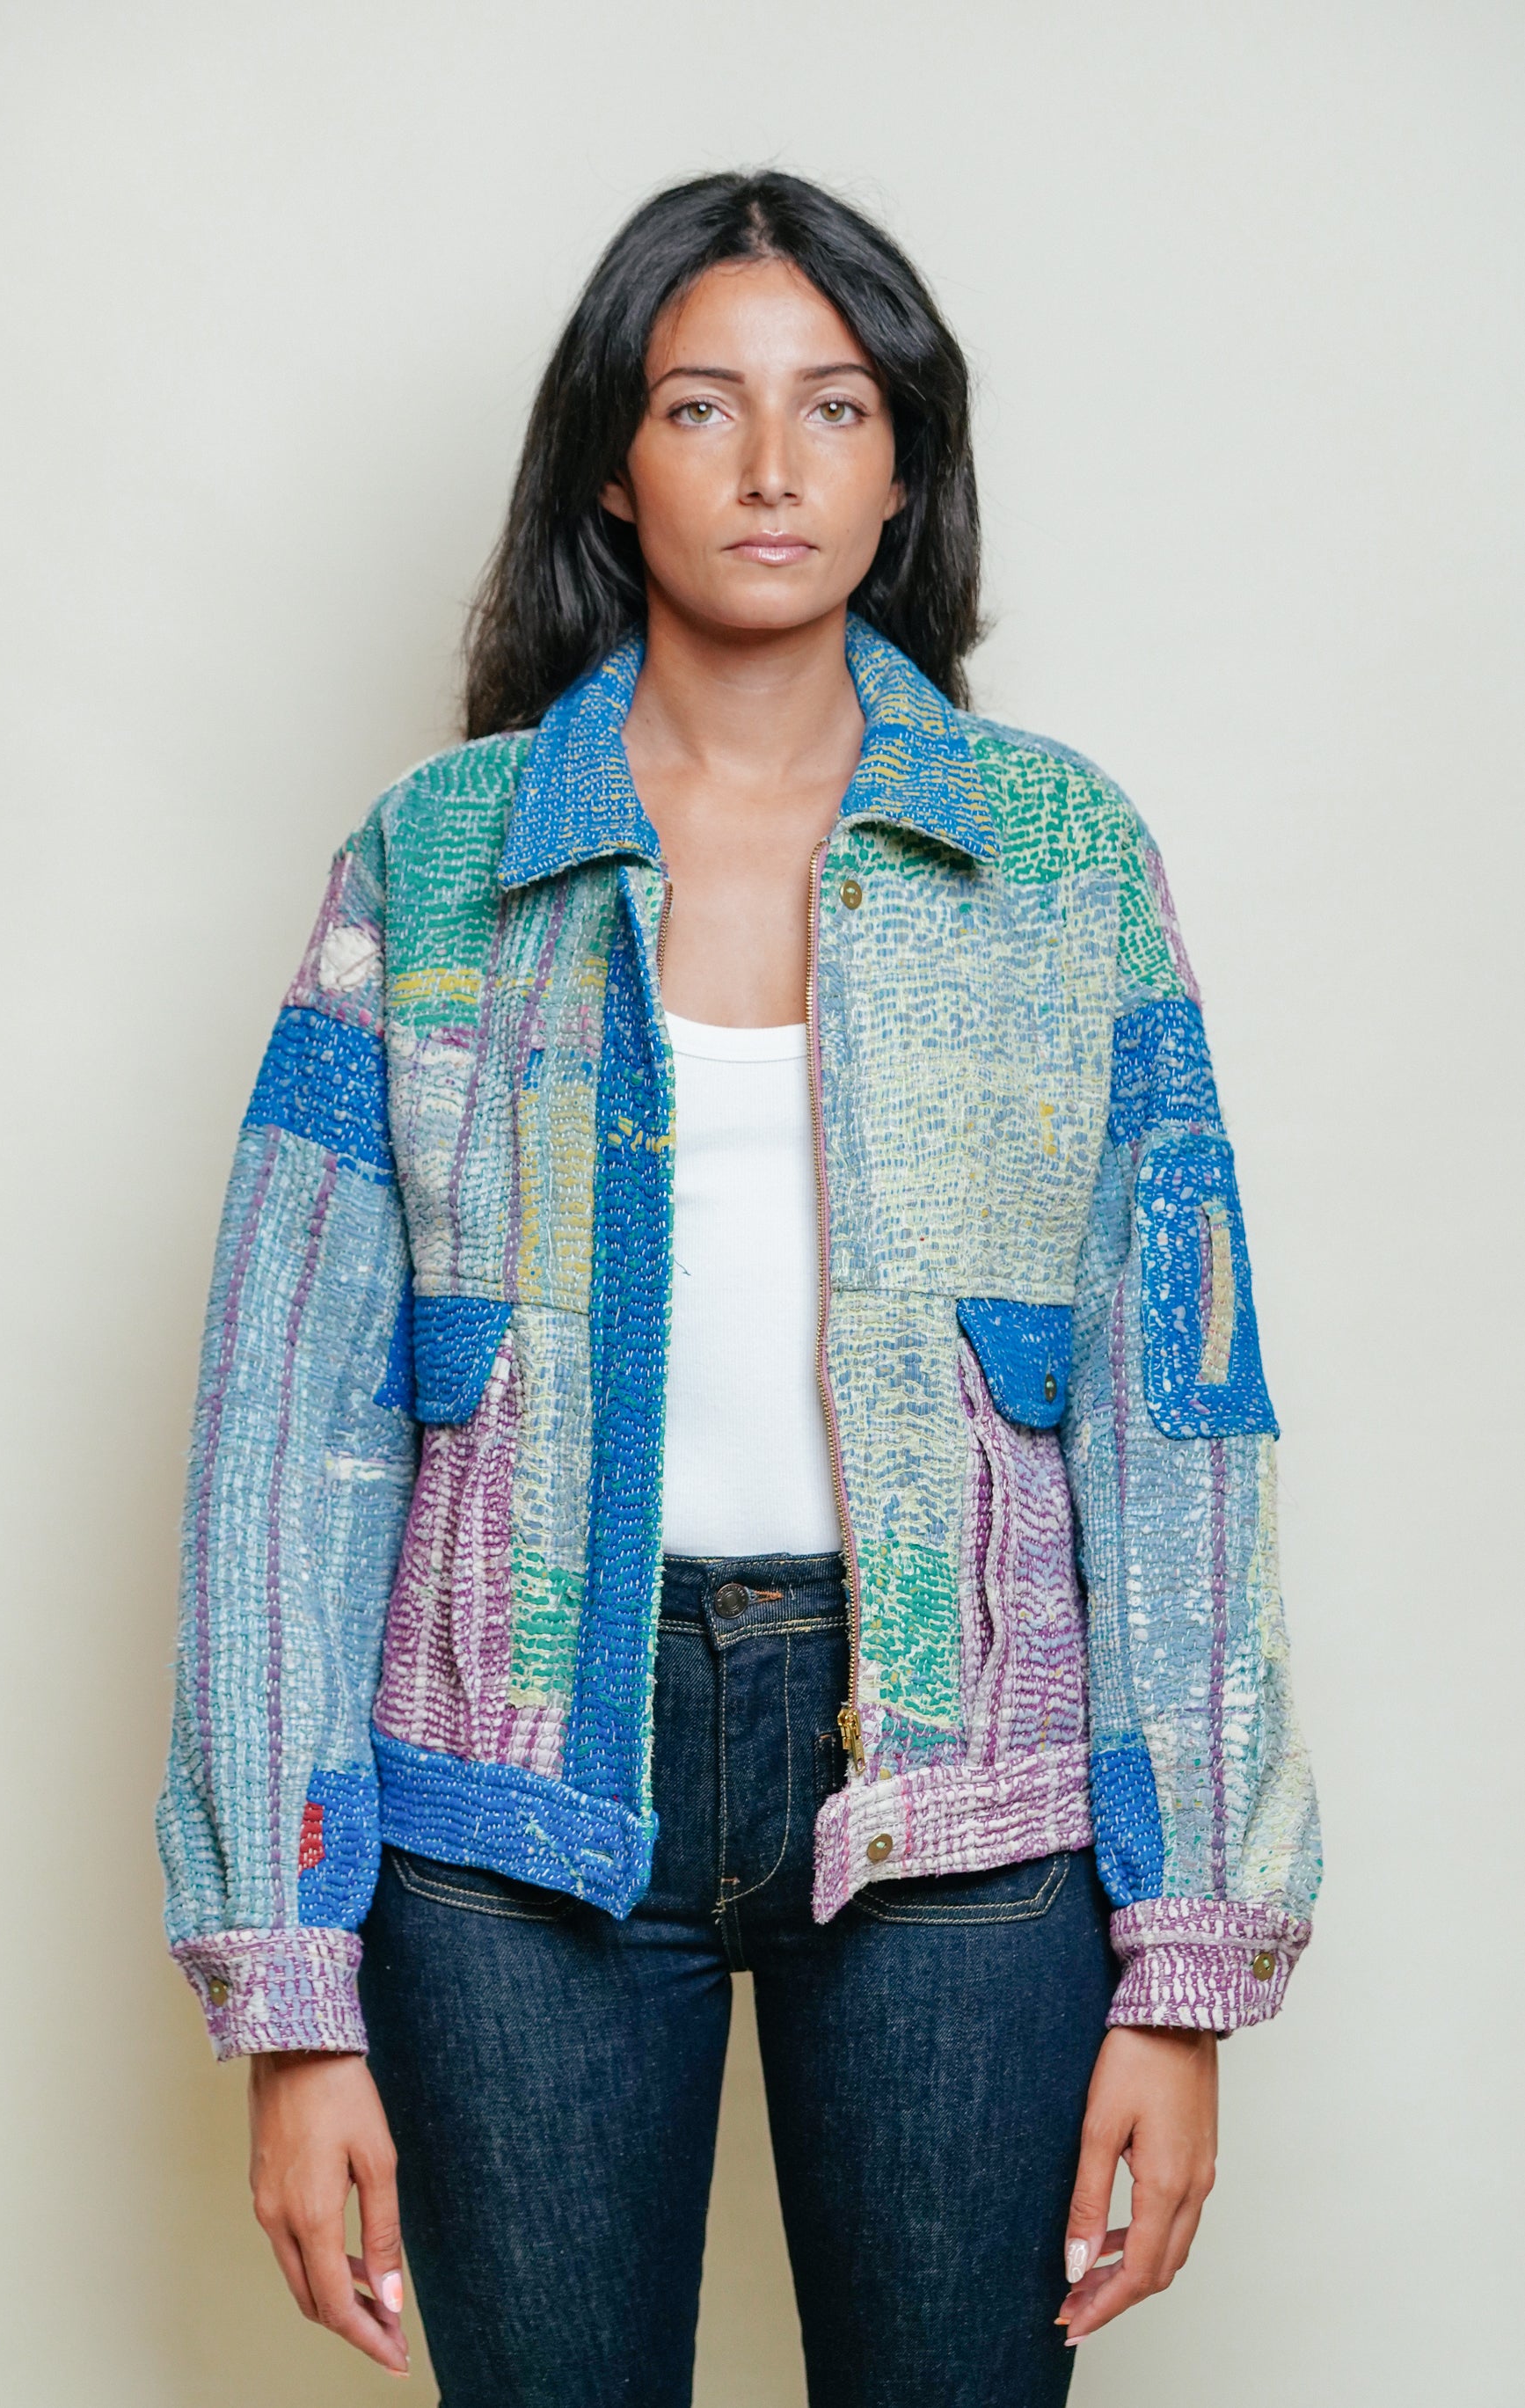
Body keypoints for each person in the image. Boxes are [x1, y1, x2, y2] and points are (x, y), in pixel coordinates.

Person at [158, 169, 1320, 2406]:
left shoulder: (1058, 860)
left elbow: (1179, 1417)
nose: (773, 464)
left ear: (903, 466)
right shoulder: (435, 860)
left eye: (837, 406)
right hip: (505, 1812)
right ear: (612, 459)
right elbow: (281, 1435)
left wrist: (1185, 1963)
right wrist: (288, 1993)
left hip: (968, 1800)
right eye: (702, 405)